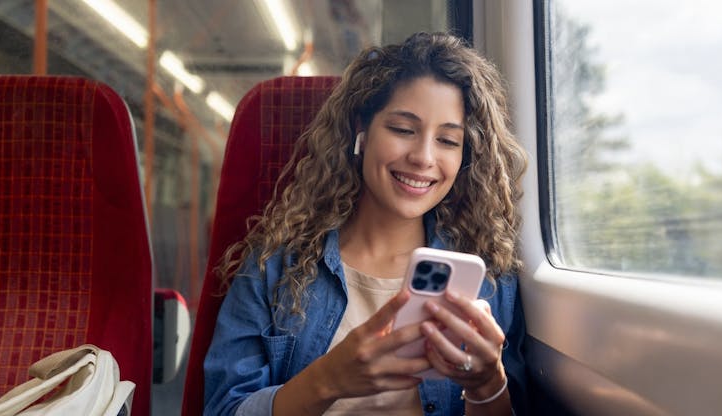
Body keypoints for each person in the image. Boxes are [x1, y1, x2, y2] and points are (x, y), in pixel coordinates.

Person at [203, 32, 529, 416]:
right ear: (362, 130)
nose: (424, 157)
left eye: (447, 140)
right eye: (403, 130)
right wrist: (329, 379)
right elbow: (224, 409)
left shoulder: (489, 280)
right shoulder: (274, 265)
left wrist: (488, 385)